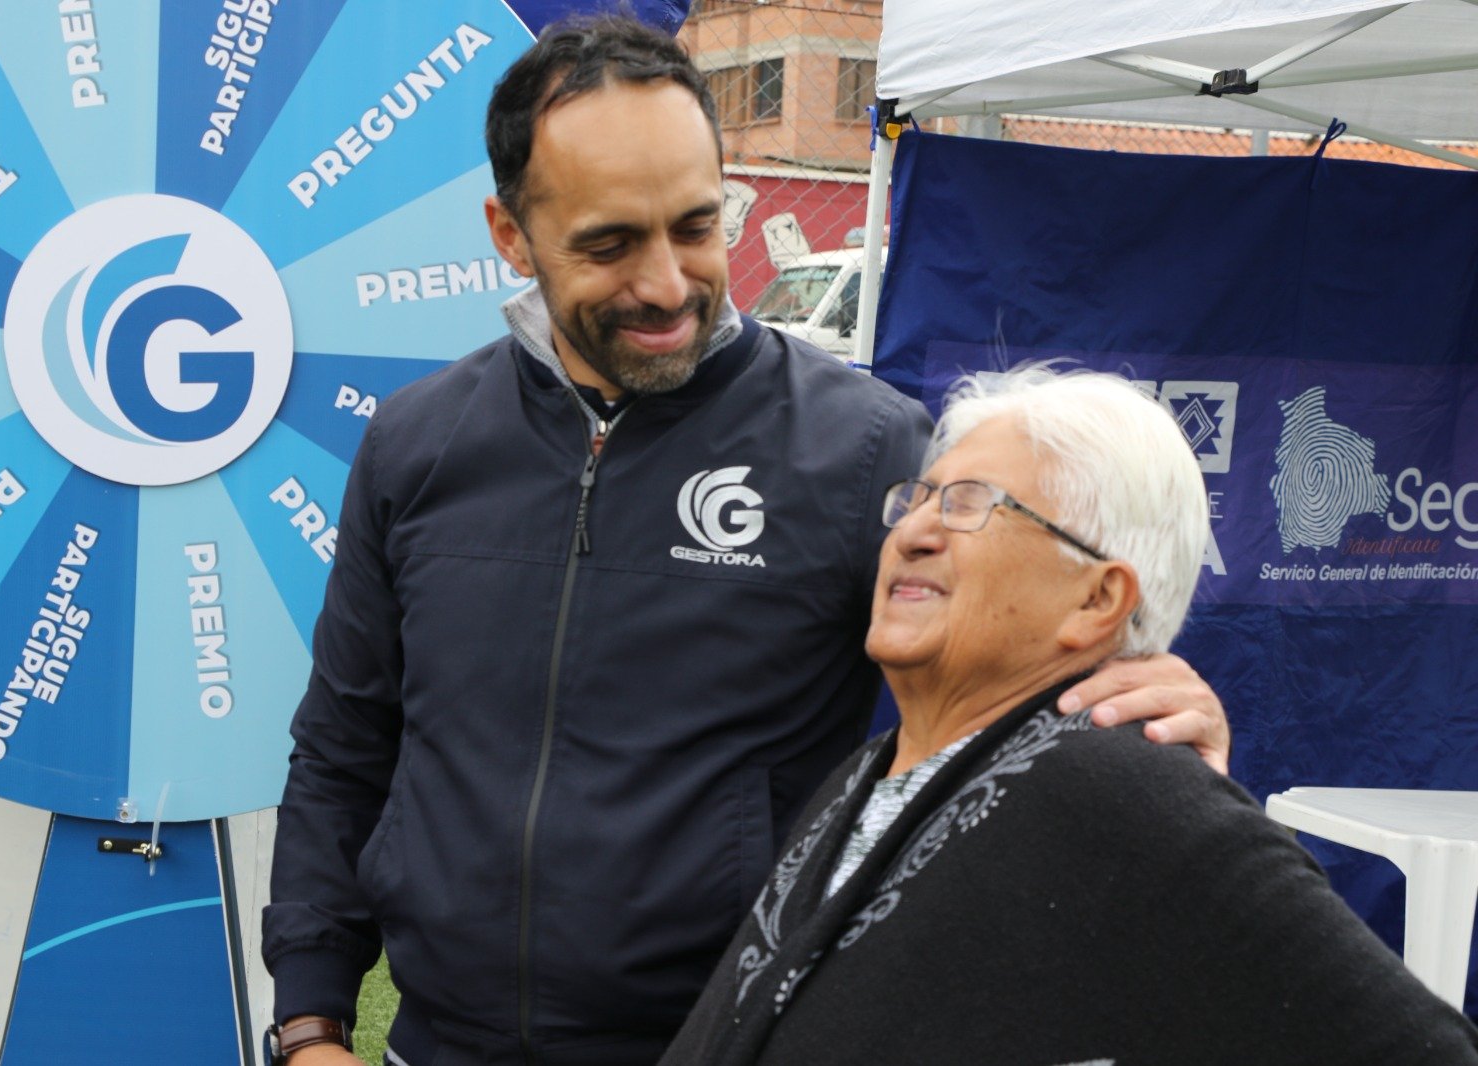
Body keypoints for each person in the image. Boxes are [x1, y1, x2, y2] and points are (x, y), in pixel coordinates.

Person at [260, 17, 1231, 1066]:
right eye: (608, 243)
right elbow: (344, 749)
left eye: (695, 225)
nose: (668, 284)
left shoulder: (866, 451)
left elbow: (1012, 695)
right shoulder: (417, 442)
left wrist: (1140, 699)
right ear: (509, 232)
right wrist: (311, 1022)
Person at [662, 366, 1478, 1066]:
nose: (912, 532)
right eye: (918, 497)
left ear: (1096, 599)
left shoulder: (1131, 792)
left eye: (969, 505)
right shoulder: (877, 768)